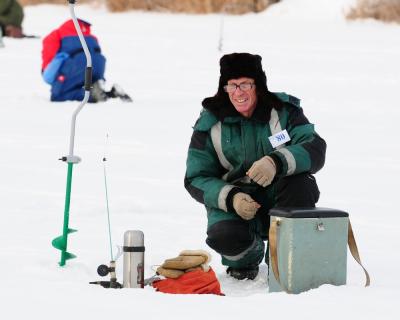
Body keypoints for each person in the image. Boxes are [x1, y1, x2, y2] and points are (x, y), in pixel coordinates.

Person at [184, 53, 326, 280]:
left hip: (279, 194)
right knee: (224, 237)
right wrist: (231, 198)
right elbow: (195, 177)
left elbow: (315, 147)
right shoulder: (210, 123)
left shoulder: (284, 111)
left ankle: (283, 258)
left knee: (301, 185)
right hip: (237, 203)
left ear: (258, 86)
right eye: (232, 85)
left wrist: (276, 162)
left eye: (245, 84)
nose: (239, 92)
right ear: (225, 88)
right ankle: (247, 258)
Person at [41, 19, 131, 103]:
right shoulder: (91, 37)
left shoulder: (56, 34)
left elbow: (49, 62)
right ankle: (111, 93)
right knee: (86, 86)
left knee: (57, 96)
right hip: (99, 64)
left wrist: (48, 74)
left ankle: (92, 94)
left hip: (79, 64)